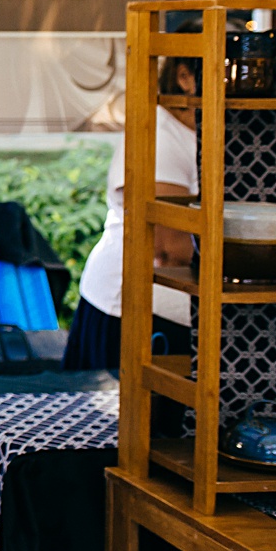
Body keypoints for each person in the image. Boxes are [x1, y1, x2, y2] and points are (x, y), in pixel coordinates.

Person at [65, 51, 199, 369]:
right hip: (129, 308)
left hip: (170, 306)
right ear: (184, 77)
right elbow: (168, 248)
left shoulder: (200, 131)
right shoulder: (159, 138)